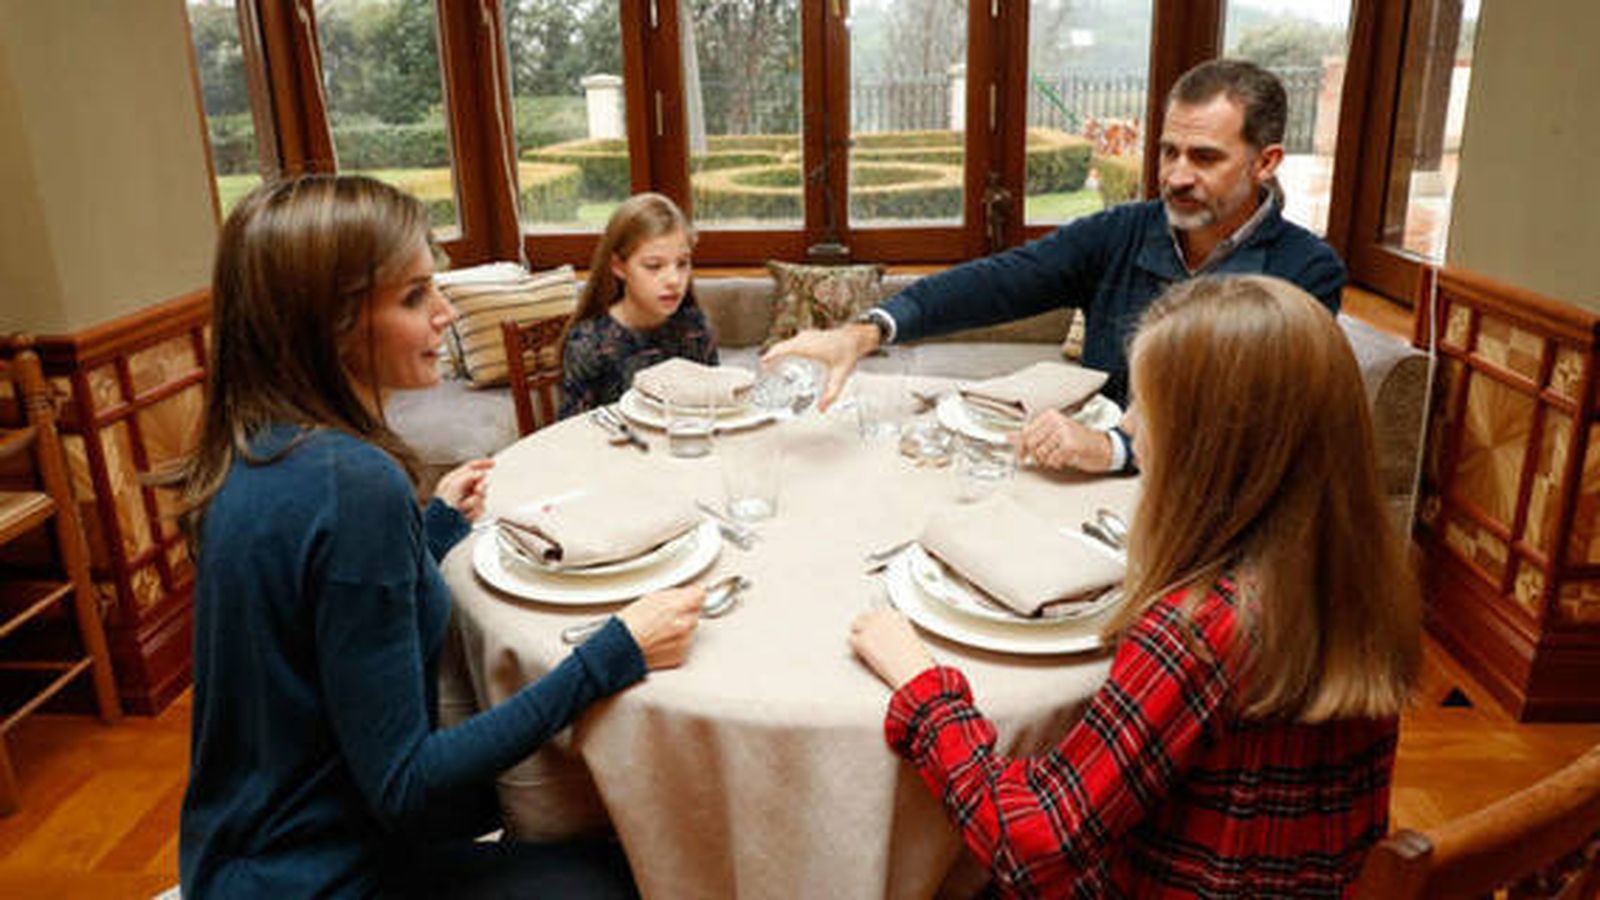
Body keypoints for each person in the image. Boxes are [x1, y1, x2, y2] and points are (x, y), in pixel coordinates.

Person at [175, 175, 706, 899]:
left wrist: (428, 534)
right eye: (415, 296)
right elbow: (406, 783)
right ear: (329, 323)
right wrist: (614, 652)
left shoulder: (258, 447)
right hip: (325, 876)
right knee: (642, 868)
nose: (447, 314)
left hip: (236, 861)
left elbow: (331, 619)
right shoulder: (353, 484)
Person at [849, 275, 1421, 898]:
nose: (1126, 423)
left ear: (1208, 447)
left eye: (1146, 407)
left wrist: (927, 692)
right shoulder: (1362, 571)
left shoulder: (1199, 630)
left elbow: (1033, 843)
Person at [768, 58, 1346, 474]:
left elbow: (1243, 416)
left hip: (1202, 514)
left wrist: (1115, 449)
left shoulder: (1306, 273)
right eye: (1169, 151)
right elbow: (998, 281)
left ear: (1266, 162)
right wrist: (867, 330)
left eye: (1204, 157)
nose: (1175, 176)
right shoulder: (1120, 230)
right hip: (1082, 484)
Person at [560, 192, 717, 417]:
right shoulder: (588, 343)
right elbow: (572, 434)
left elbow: (716, 409)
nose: (674, 280)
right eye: (654, 266)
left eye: (682, 263)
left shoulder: (694, 327)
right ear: (619, 267)